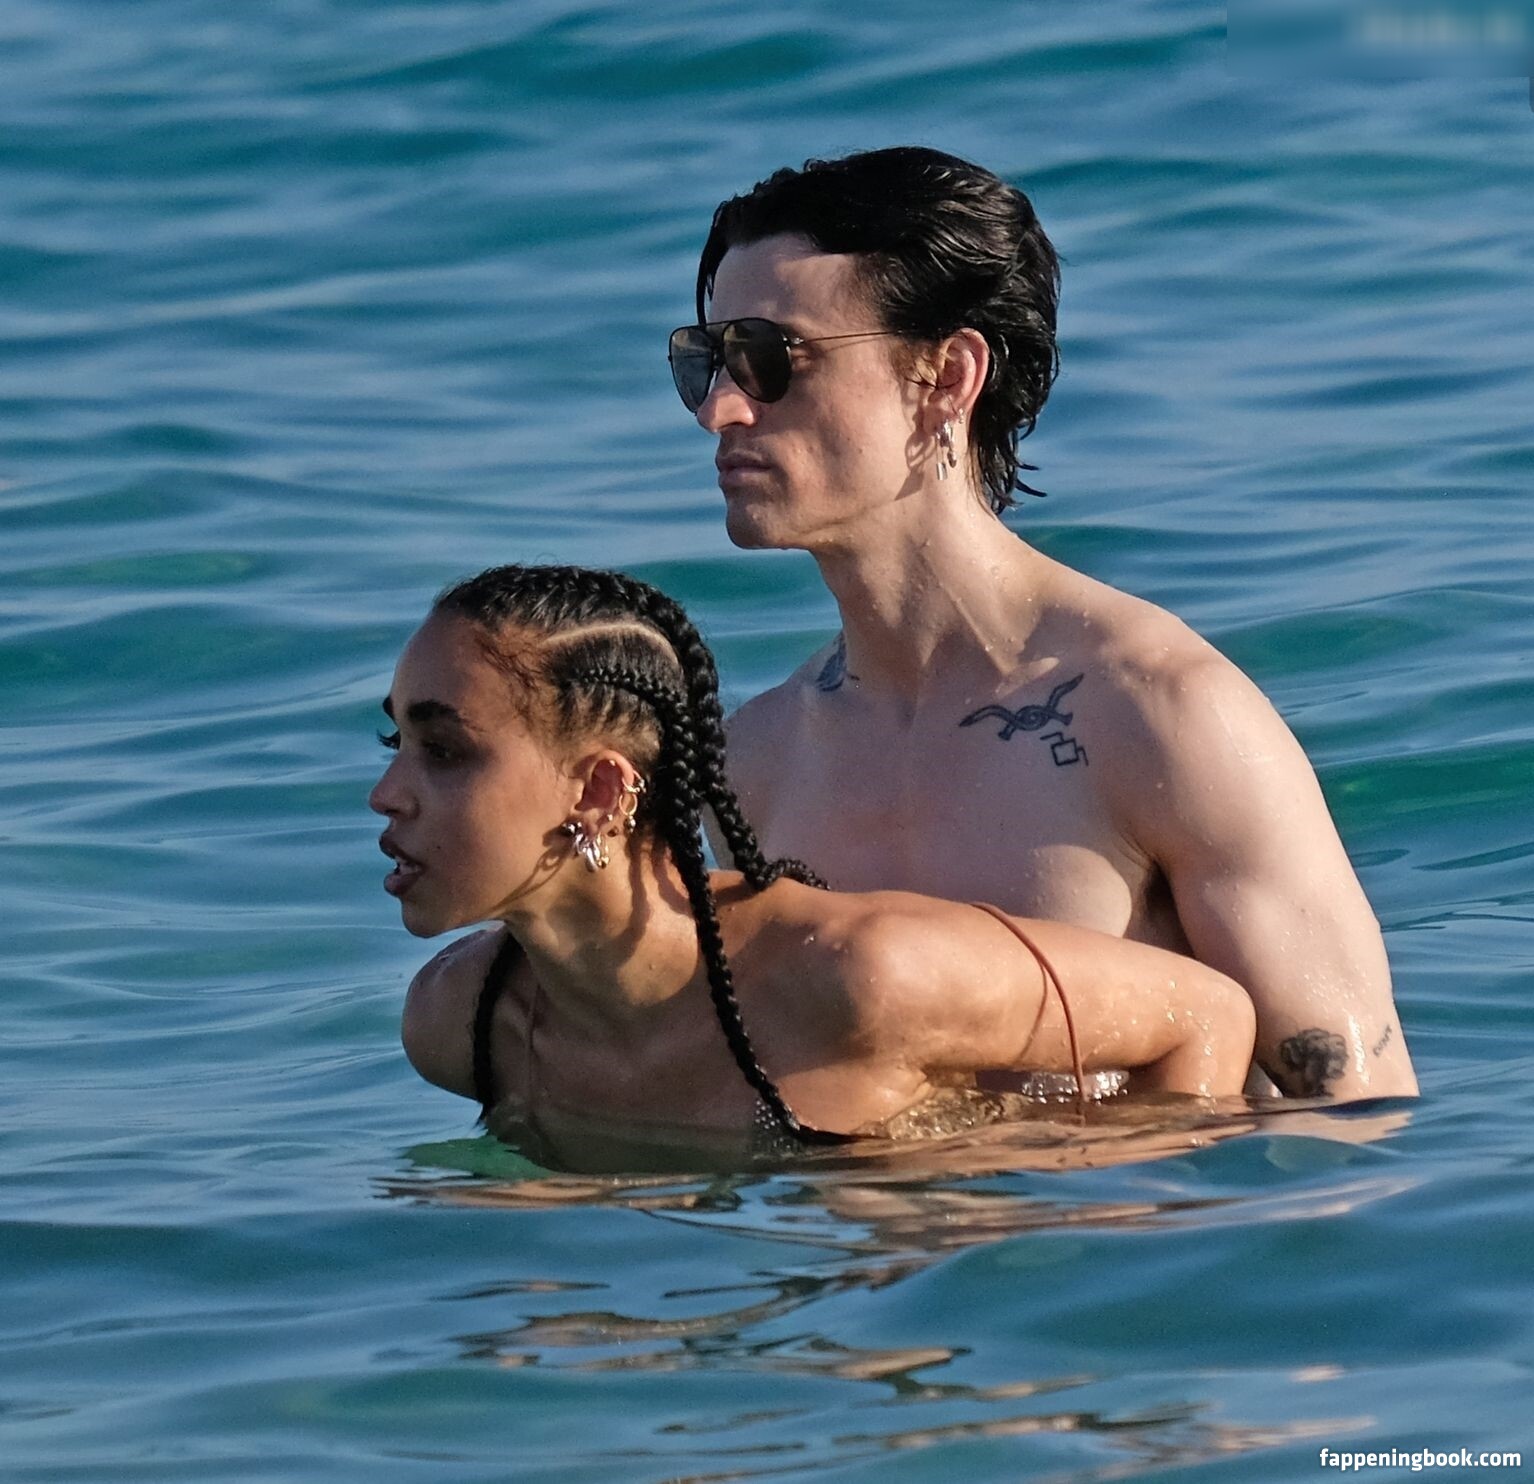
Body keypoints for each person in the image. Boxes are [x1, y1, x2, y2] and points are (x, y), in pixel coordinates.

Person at [668, 146, 1416, 1102]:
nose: (721, 410)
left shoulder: (1158, 712)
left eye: (771, 358)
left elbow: (1352, 1124)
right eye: (707, 362)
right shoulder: (756, 762)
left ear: (947, 377)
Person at [372, 564, 1255, 1173]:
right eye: (395, 742)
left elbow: (1208, 1014)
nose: (386, 794)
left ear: (600, 791)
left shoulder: (862, 976)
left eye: (444, 752)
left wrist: (1106, 1259)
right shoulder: (458, 1024)